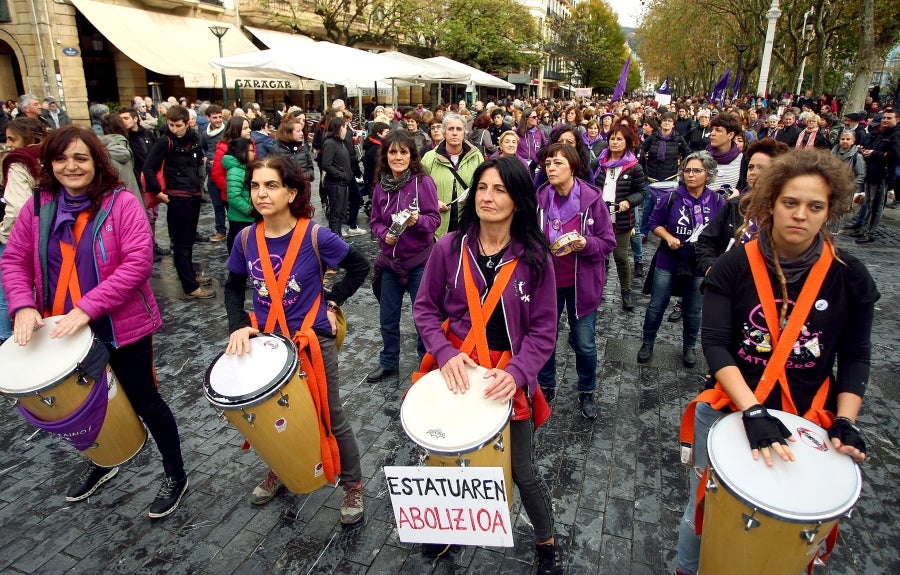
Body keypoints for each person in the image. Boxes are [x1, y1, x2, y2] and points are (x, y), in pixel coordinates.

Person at [673, 149, 877, 575]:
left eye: (815, 206)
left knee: (792, 523)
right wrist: (752, 408)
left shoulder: (849, 275)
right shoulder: (735, 265)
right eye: (791, 203)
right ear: (770, 204)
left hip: (808, 417)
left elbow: (855, 353)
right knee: (706, 510)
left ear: (830, 211)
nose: (801, 215)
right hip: (732, 405)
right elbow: (714, 343)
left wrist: (847, 419)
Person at [1, 126, 188, 518]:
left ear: (96, 161)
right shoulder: (38, 206)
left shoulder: (120, 203)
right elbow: (14, 259)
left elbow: (137, 263)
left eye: (80, 158)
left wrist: (87, 308)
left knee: (144, 400)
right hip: (60, 332)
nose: (71, 166)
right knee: (85, 406)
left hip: (118, 325)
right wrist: (21, 304)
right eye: (62, 158)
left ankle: (175, 472)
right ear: (50, 164)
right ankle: (104, 460)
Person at [413, 156, 563, 575]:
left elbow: (543, 331)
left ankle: (546, 538)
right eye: (482, 187)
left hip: (504, 378)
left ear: (518, 200)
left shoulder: (535, 259)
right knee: (442, 454)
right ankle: (444, 526)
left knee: (521, 468)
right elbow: (425, 309)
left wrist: (516, 374)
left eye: (499, 189)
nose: (488, 197)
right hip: (456, 370)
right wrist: (443, 353)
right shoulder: (449, 247)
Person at [223, 155, 370, 523]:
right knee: (273, 416)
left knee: (329, 415)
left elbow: (360, 266)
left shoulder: (315, 235)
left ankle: (352, 485)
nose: (261, 194)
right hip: (268, 345)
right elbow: (232, 285)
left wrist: (332, 300)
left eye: (271, 185)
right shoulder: (245, 238)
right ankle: (283, 470)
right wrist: (238, 323)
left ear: (291, 192)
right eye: (255, 186)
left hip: (311, 343)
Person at [536, 143, 616, 418]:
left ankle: (587, 390)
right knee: (546, 336)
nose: (551, 168)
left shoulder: (592, 200)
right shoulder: (541, 197)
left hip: (583, 284)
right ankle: (546, 385)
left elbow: (608, 242)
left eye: (558, 163)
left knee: (583, 342)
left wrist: (586, 243)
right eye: (548, 164)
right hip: (548, 283)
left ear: (572, 167)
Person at [365, 131, 441, 382]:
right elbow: (374, 221)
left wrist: (418, 220)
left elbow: (434, 220)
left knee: (423, 318)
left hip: (419, 261)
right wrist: (384, 233)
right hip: (390, 262)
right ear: (386, 156)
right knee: (388, 317)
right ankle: (389, 362)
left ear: (411, 155)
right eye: (393, 152)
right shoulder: (380, 186)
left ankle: (426, 364)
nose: (398, 157)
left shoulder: (423, 183)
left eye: (403, 152)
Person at [638, 151, 724, 368]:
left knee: (694, 309)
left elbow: (721, 232)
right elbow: (653, 222)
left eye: (697, 171)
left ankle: (689, 347)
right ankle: (647, 342)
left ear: (708, 173)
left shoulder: (716, 201)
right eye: (687, 170)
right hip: (669, 260)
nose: (691, 175)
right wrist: (668, 237)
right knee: (657, 305)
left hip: (698, 265)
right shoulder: (672, 197)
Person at [143, 105, 212, 299]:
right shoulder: (164, 142)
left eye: (178, 125)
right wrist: (158, 192)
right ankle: (189, 287)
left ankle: (190, 275)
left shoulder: (194, 139)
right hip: (176, 196)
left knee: (189, 240)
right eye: (171, 125)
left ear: (187, 123)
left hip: (193, 194)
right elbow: (148, 168)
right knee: (181, 243)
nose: (175, 129)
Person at [695, 138, 790, 276]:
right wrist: (711, 268)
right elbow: (706, 240)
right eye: (751, 167)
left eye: (761, 168)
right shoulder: (735, 205)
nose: (753, 172)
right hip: (730, 286)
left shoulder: (789, 212)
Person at [0, 117, 48, 342]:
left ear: (28, 137)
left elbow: (17, 207)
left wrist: (6, 234)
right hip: (51, 231)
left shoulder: (19, 160)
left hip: (25, 233)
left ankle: (6, 338)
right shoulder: (51, 152)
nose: (8, 144)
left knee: (7, 289)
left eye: (12, 138)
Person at [592, 124, 646, 311]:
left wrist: (628, 202)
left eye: (619, 139)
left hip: (621, 219)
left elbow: (641, 191)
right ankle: (596, 290)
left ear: (627, 143)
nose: (615, 142)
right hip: (599, 218)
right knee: (598, 256)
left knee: (621, 256)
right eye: (612, 138)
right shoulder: (599, 163)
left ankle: (626, 291)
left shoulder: (633, 167)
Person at [422, 113, 483, 239]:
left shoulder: (476, 157)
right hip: (438, 223)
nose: (454, 133)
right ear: (444, 132)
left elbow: (483, 185)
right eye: (450, 129)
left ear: (464, 133)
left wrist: (472, 199)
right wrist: (434, 202)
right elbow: (418, 187)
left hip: (467, 222)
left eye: (459, 129)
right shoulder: (429, 157)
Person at [852, 107, 898, 244]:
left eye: (889, 118)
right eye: (884, 117)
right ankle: (864, 228)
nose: (885, 120)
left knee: (876, 204)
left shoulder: (896, 135)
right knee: (868, 203)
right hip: (871, 171)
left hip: (882, 174)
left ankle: (870, 232)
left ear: (897, 119)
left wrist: (874, 154)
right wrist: (866, 151)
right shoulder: (882, 133)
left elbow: (895, 155)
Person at [320, 116, 355, 237]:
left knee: (341, 212)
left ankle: (338, 236)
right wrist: (341, 174)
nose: (346, 130)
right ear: (341, 128)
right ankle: (334, 238)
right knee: (335, 213)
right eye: (345, 127)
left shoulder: (340, 142)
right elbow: (326, 164)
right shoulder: (330, 143)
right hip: (335, 184)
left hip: (343, 183)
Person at [221, 138, 256, 252]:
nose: (254, 153)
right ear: (242, 152)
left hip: (247, 218)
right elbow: (234, 197)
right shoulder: (235, 171)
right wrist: (251, 211)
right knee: (238, 247)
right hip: (241, 219)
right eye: (251, 151)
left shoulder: (245, 168)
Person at [706, 113, 743, 194]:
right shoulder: (703, 157)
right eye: (712, 129)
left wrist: (737, 193)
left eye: (718, 130)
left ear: (730, 135)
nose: (712, 133)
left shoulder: (742, 159)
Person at [516, 107, 547, 172]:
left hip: (535, 166)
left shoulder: (539, 132)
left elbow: (545, 147)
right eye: (533, 117)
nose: (536, 119)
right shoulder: (516, 132)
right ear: (526, 118)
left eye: (537, 117)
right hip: (520, 166)